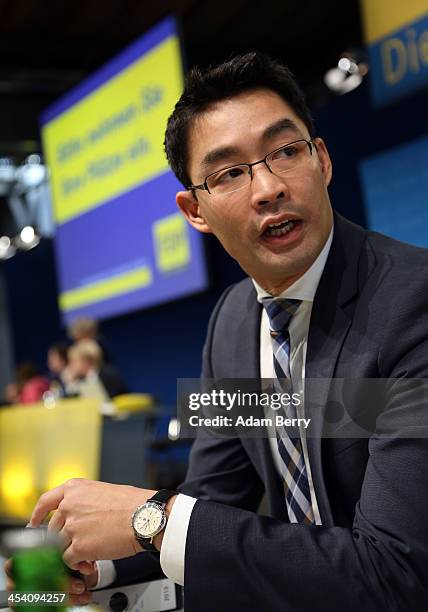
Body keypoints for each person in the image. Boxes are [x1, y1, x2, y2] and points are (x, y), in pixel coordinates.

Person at [12, 52, 428, 610]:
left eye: (285, 151)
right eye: (229, 172)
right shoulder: (231, 323)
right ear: (194, 211)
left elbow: (395, 574)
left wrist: (152, 519)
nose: (267, 188)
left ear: (322, 161)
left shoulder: (413, 304)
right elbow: (214, 496)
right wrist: (93, 563)